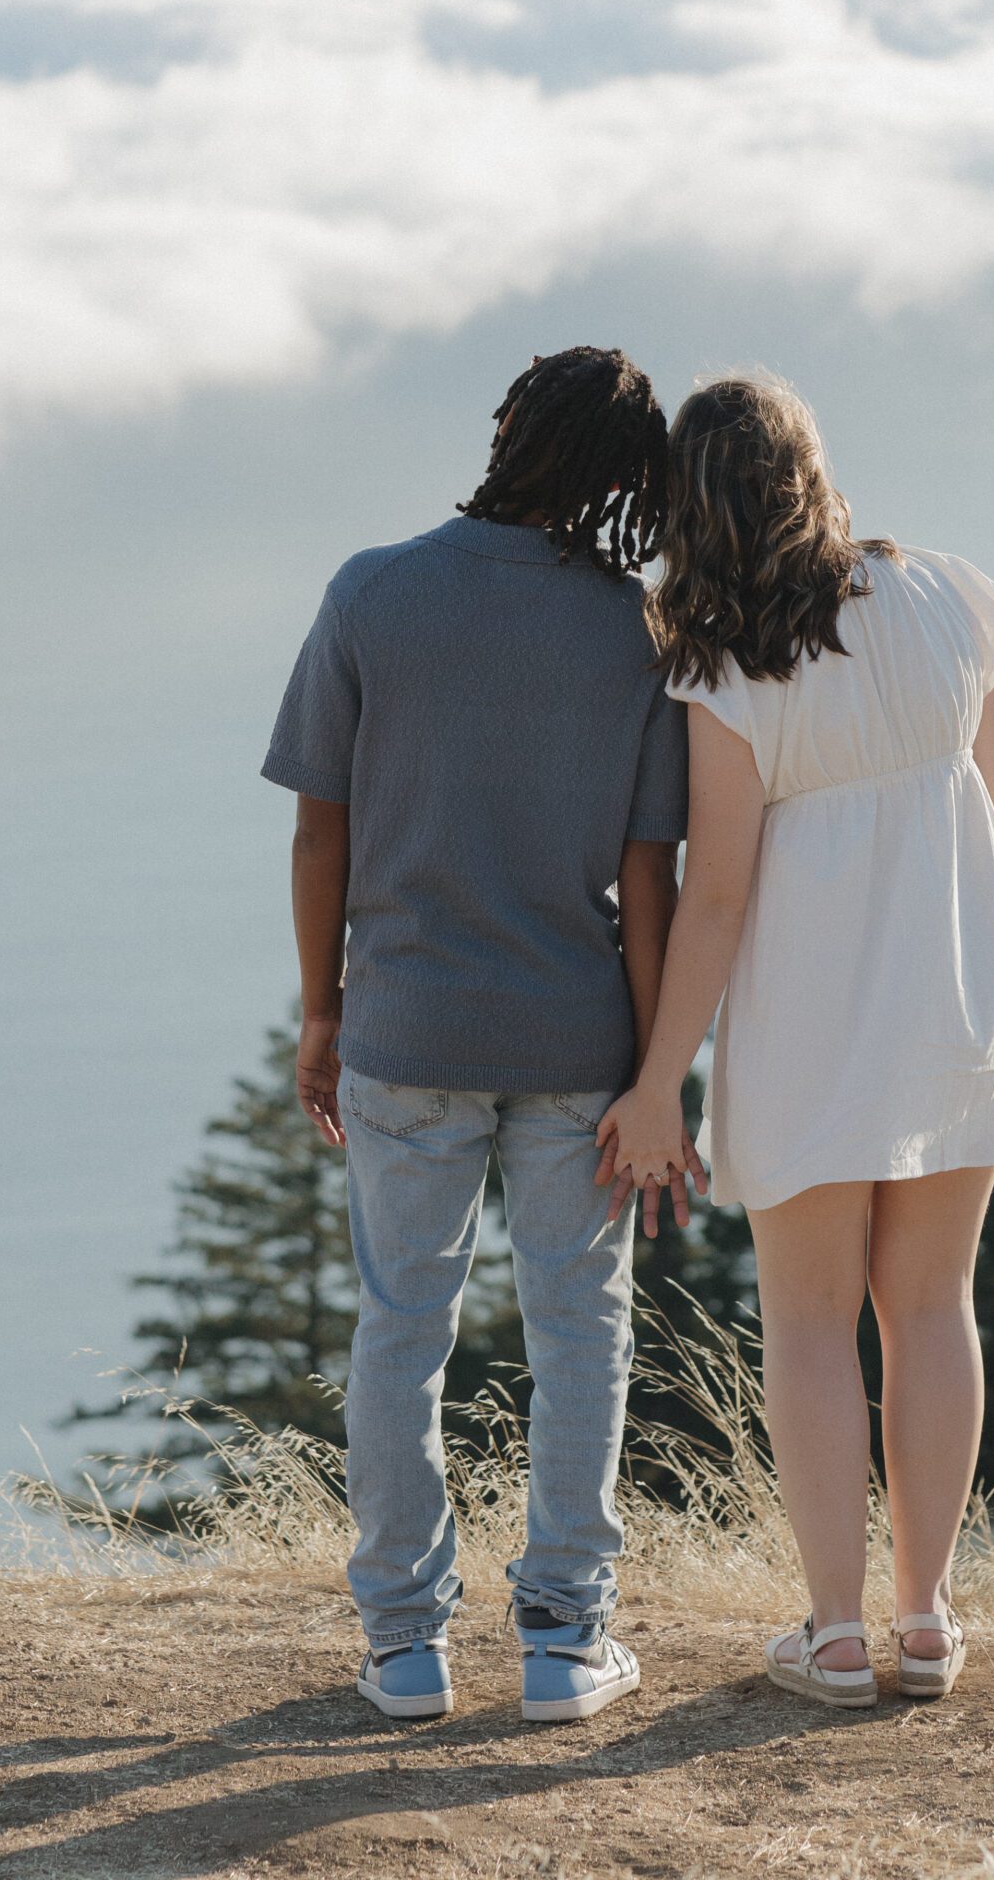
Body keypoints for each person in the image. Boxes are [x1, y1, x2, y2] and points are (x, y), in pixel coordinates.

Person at [261, 346, 697, 1725]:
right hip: (578, 1044)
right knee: (582, 1334)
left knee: (402, 1327)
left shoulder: (372, 593)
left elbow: (318, 826)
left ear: (507, 430)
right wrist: (650, 1069)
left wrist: (324, 1009)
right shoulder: (636, 633)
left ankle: (406, 1645)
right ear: (631, 479)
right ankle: (567, 1643)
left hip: (406, 1027)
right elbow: (647, 879)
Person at [597, 375, 994, 1706]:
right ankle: (926, 1620)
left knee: (806, 1316)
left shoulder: (722, 671)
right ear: (811, 470)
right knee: (930, 1305)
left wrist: (659, 1077)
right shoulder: (957, 596)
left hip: (813, 1015)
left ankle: (834, 1632)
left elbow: (716, 894)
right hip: (962, 994)